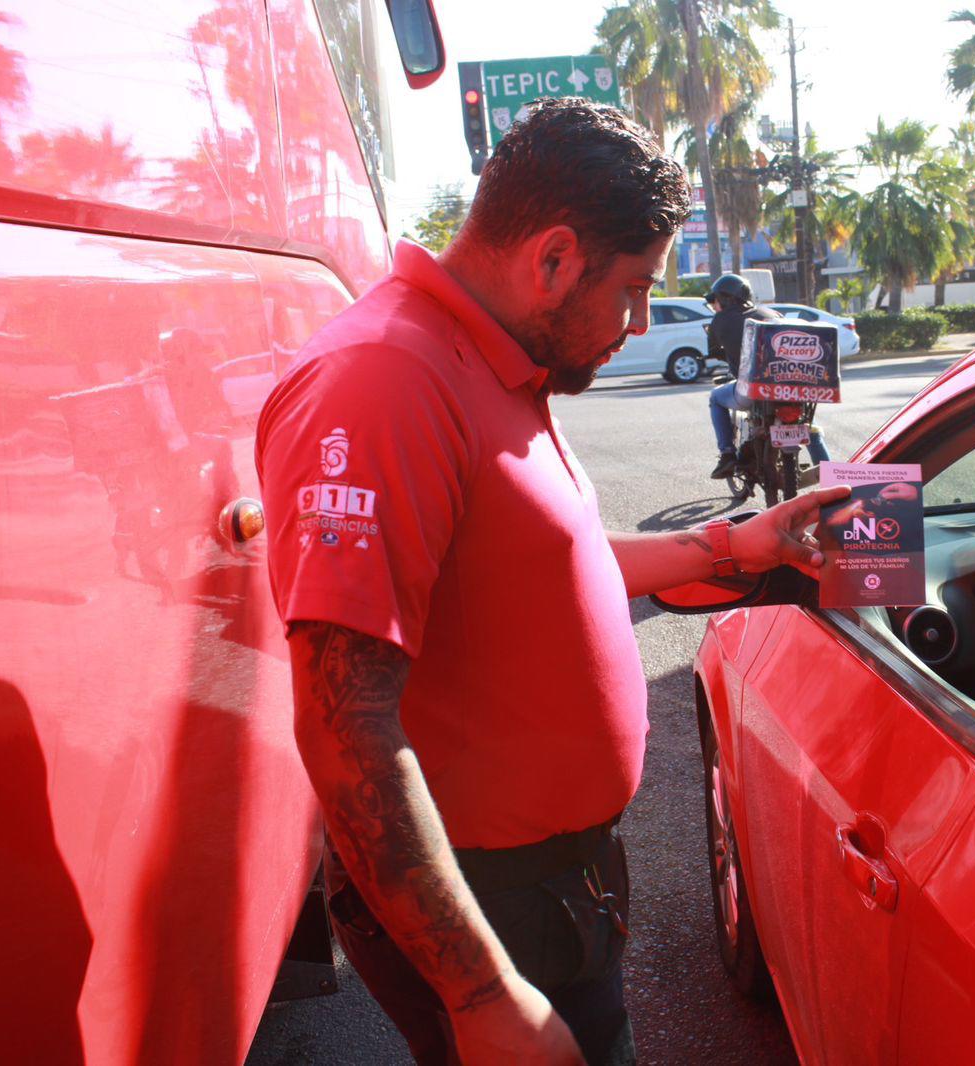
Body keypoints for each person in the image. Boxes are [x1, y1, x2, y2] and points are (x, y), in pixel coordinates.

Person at [256, 98, 845, 1066]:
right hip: (488, 898)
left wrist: (738, 544)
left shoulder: (495, 360)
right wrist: (480, 991)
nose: (640, 322)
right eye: (634, 289)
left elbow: (555, 563)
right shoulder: (384, 380)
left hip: (549, 886)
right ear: (556, 258)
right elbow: (342, 723)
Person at [703, 274, 830, 479]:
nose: (715, 306)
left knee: (715, 398)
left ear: (724, 299)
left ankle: (727, 455)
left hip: (754, 389)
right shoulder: (771, 313)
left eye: (715, 301)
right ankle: (832, 478)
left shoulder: (720, 319)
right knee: (808, 426)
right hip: (791, 387)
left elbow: (714, 350)